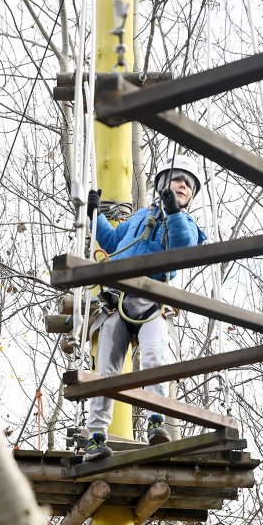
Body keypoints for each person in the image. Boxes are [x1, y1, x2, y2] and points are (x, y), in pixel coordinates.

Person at [83, 154, 207, 461]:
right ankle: (96, 437)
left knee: (154, 358)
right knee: (107, 371)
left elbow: (182, 246)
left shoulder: (186, 222)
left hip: (152, 303)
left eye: (188, 185)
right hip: (119, 300)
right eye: (178, 180)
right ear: (164, 184)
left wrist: (174, 212)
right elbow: (113, 242)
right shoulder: (140, 217)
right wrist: (94, 215)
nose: (183, 186)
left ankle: (155, 420)